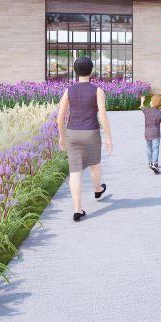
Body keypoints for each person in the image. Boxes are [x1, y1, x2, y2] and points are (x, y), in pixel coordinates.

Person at [57, 56, 113, 222]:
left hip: (72, 133)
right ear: (91, 70)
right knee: (94, 165)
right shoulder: (98, 90)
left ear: (75, 71)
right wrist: (109, 137)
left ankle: (77, 210)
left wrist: (62, 137)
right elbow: (102, 115)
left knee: (75, 172)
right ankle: (97, 189)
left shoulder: (68, 91)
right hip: (91, 132)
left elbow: (60, 118)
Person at [141, 94, 161, 174]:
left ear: (152, 103)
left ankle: (150, 163)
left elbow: (141, 107)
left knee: (149, 148)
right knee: (155, 149)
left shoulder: (147, 110)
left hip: (147, 133)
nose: (150, 102)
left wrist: (142, 101)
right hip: (156, 134)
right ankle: (155, 164)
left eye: (151, 101)